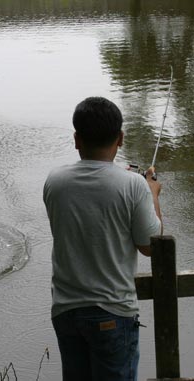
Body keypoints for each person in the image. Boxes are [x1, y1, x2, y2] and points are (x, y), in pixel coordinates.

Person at [43, 96, 162, 381]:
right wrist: (152, 193)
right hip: (113, 313)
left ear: (76, 139)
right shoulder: (134, 186)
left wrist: (123, 181)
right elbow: (150, 246)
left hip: (66, 311)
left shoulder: (54, 181)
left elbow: (92, 195)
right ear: (120, 138)